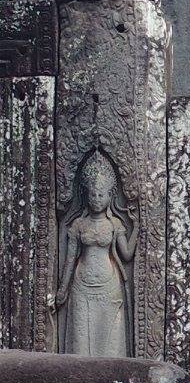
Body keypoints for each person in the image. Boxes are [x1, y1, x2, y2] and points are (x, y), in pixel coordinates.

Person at [55, 150, 137, 357]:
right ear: (85, 195)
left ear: (110, 196)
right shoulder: (78, 224)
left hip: (110, 287)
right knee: (81, 340)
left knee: (110, 341)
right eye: (93, 194)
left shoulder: (114, 224)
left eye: (101, 195)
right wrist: (62, 289)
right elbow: (70, 260)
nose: (96, 199)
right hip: (81, 286)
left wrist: (137, 227)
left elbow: (127, 255)